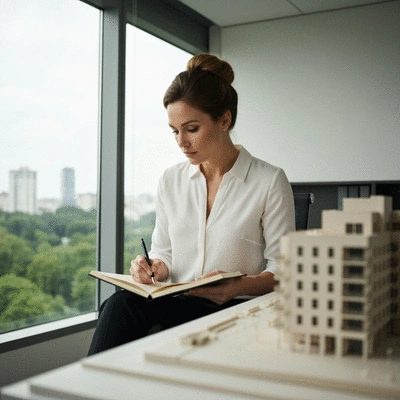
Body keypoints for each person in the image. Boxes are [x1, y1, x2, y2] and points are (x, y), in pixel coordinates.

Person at [88, 53, 295, 355]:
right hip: (180, 305)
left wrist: (239, 287)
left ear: (225, 120)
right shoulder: (171, 180)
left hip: (237, 309)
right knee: (120, 303)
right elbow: (164, 253)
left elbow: (284, 269)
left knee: (119, 310)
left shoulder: (269, 180)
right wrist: (154, 266)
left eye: (191, 128)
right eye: (174, 130)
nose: (181, 141)